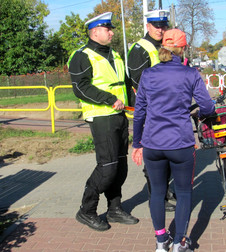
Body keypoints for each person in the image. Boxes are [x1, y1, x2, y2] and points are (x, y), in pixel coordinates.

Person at [131, 29, 215, 252]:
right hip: (180, 144)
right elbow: (207, 106)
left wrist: (137, 144)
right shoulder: (191, 74)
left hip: (152, 144)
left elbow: (139, 112)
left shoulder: (148, 75)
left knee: (157, 192)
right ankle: (179, 242)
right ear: (183, 48)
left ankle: (160, 242)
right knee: (185, 192)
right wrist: (196, 112)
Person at [67, 12, 139, 232]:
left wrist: (139, 105)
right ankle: (86, 211)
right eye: (107, 29)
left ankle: (114, 208)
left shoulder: (115, 55)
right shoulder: (81, 55)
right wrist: (109, 100)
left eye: (111, 29)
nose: (111, 32)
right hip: (101, 117)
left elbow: (125, 84)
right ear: (95, 32)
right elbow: (81, 87)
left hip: (119, 116)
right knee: (107, 167)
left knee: (120, 166)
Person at [128, 9, 176, 212]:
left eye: (164, 25)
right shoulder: (140, 49)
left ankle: (163, 190)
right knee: (154, 157)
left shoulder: (165, 46)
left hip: (166, 110)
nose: (161, 29)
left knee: (168, 154)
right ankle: (156, 197)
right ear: (147, 26)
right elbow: (139, 83)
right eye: (157, 25)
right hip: (150, 112)